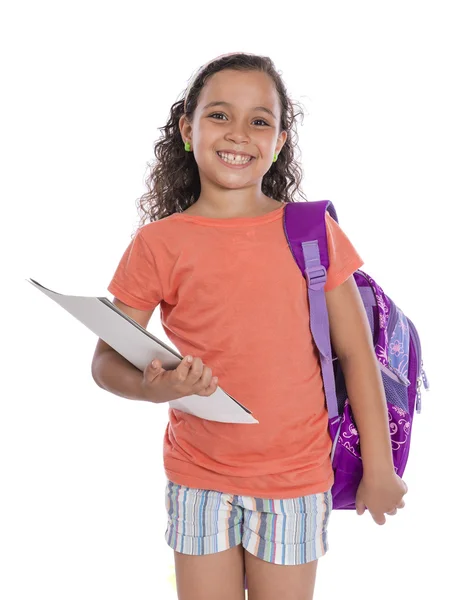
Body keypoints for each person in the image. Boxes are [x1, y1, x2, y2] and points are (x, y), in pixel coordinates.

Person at [91, 52, 408, 600]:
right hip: (198, 476)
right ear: (187, 129)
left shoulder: (313, 233)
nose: (239, 133)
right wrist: (153, 386)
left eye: (260, 120)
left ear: (279, 141)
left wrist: (379, 468)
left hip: (295, 480)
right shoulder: (158, 244)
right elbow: (104, 362)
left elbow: (358, 356)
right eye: (219, 115)